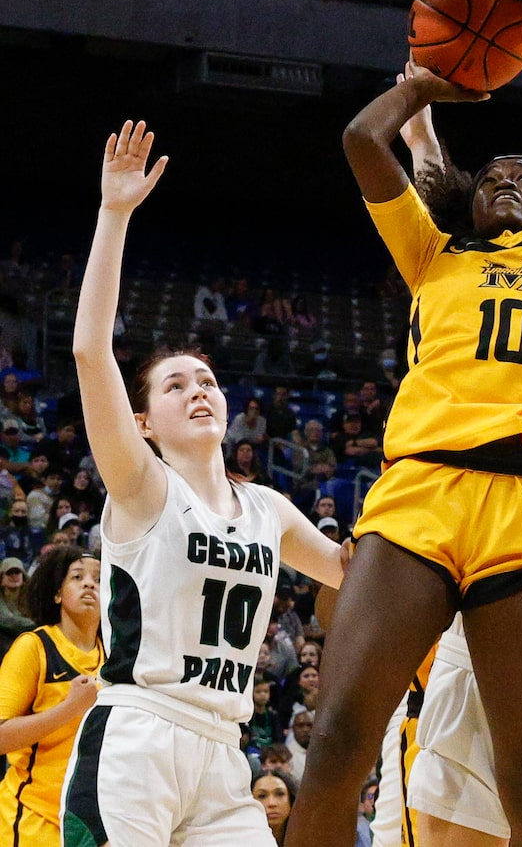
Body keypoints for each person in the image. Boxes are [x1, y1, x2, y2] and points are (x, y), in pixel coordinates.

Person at [285, 0, 522, 847]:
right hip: (418, 495)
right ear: (465, 200)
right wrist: (426, 87)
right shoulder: (431, 255)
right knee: (333, 746)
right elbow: (362, 142)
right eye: (489, 173)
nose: (504, 176)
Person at [59, 120, 347, 847]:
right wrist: (114, 213)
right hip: (137, 737)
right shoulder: (142, 485)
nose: (199, 391)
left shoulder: (270, 510)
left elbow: (351, 573)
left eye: (209, 382)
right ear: (145, 421)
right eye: (176, 385)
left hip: (224, 752)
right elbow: (91, 352)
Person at [0, 546, 103, 846]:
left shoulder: (116, 659)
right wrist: (70, 708)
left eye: (98, 579)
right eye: (78, 576)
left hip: (90, 825)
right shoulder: (33, 647)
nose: (89, 584)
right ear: (57, 594)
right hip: (32, 819)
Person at [0, 557, 35, 662]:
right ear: (1, 578)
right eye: (9, 573)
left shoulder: (32, 596)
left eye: (17, 572)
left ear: (23, 576)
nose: (14, 576)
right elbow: (5, 619)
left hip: (28, 639)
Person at [251, 769, 297, 846]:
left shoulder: (310, 837)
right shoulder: (238, 840)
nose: (271, 803)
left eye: (280, 794)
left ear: (291, 799)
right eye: (262, 796)